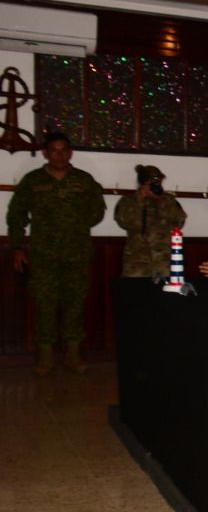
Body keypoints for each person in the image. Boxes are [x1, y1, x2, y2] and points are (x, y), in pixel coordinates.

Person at [6, 132, 106, 375]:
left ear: (70, 153)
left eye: (63, 151)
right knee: (45, 304)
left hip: (77, 254)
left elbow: (97, 210)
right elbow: (16, 214)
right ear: (45, 153)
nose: (59, 155)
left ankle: (73, 355)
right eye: (54, 150)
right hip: (44, 255)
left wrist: (75, 224)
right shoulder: (33, 181)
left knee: (75, 304)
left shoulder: (84, 180)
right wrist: (17, 247)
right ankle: (46, 358)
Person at [114, 164, 187, 278]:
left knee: (166, 288)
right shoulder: (128, 201)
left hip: (164, 259)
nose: (156, 184)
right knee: (134, 288)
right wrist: (140, 201)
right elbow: (124, 221)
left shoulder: (169, 200)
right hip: (137, 258)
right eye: (152, 181)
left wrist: (161, 201)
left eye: (158, 181)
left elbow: (180, 221)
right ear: (143, 182)